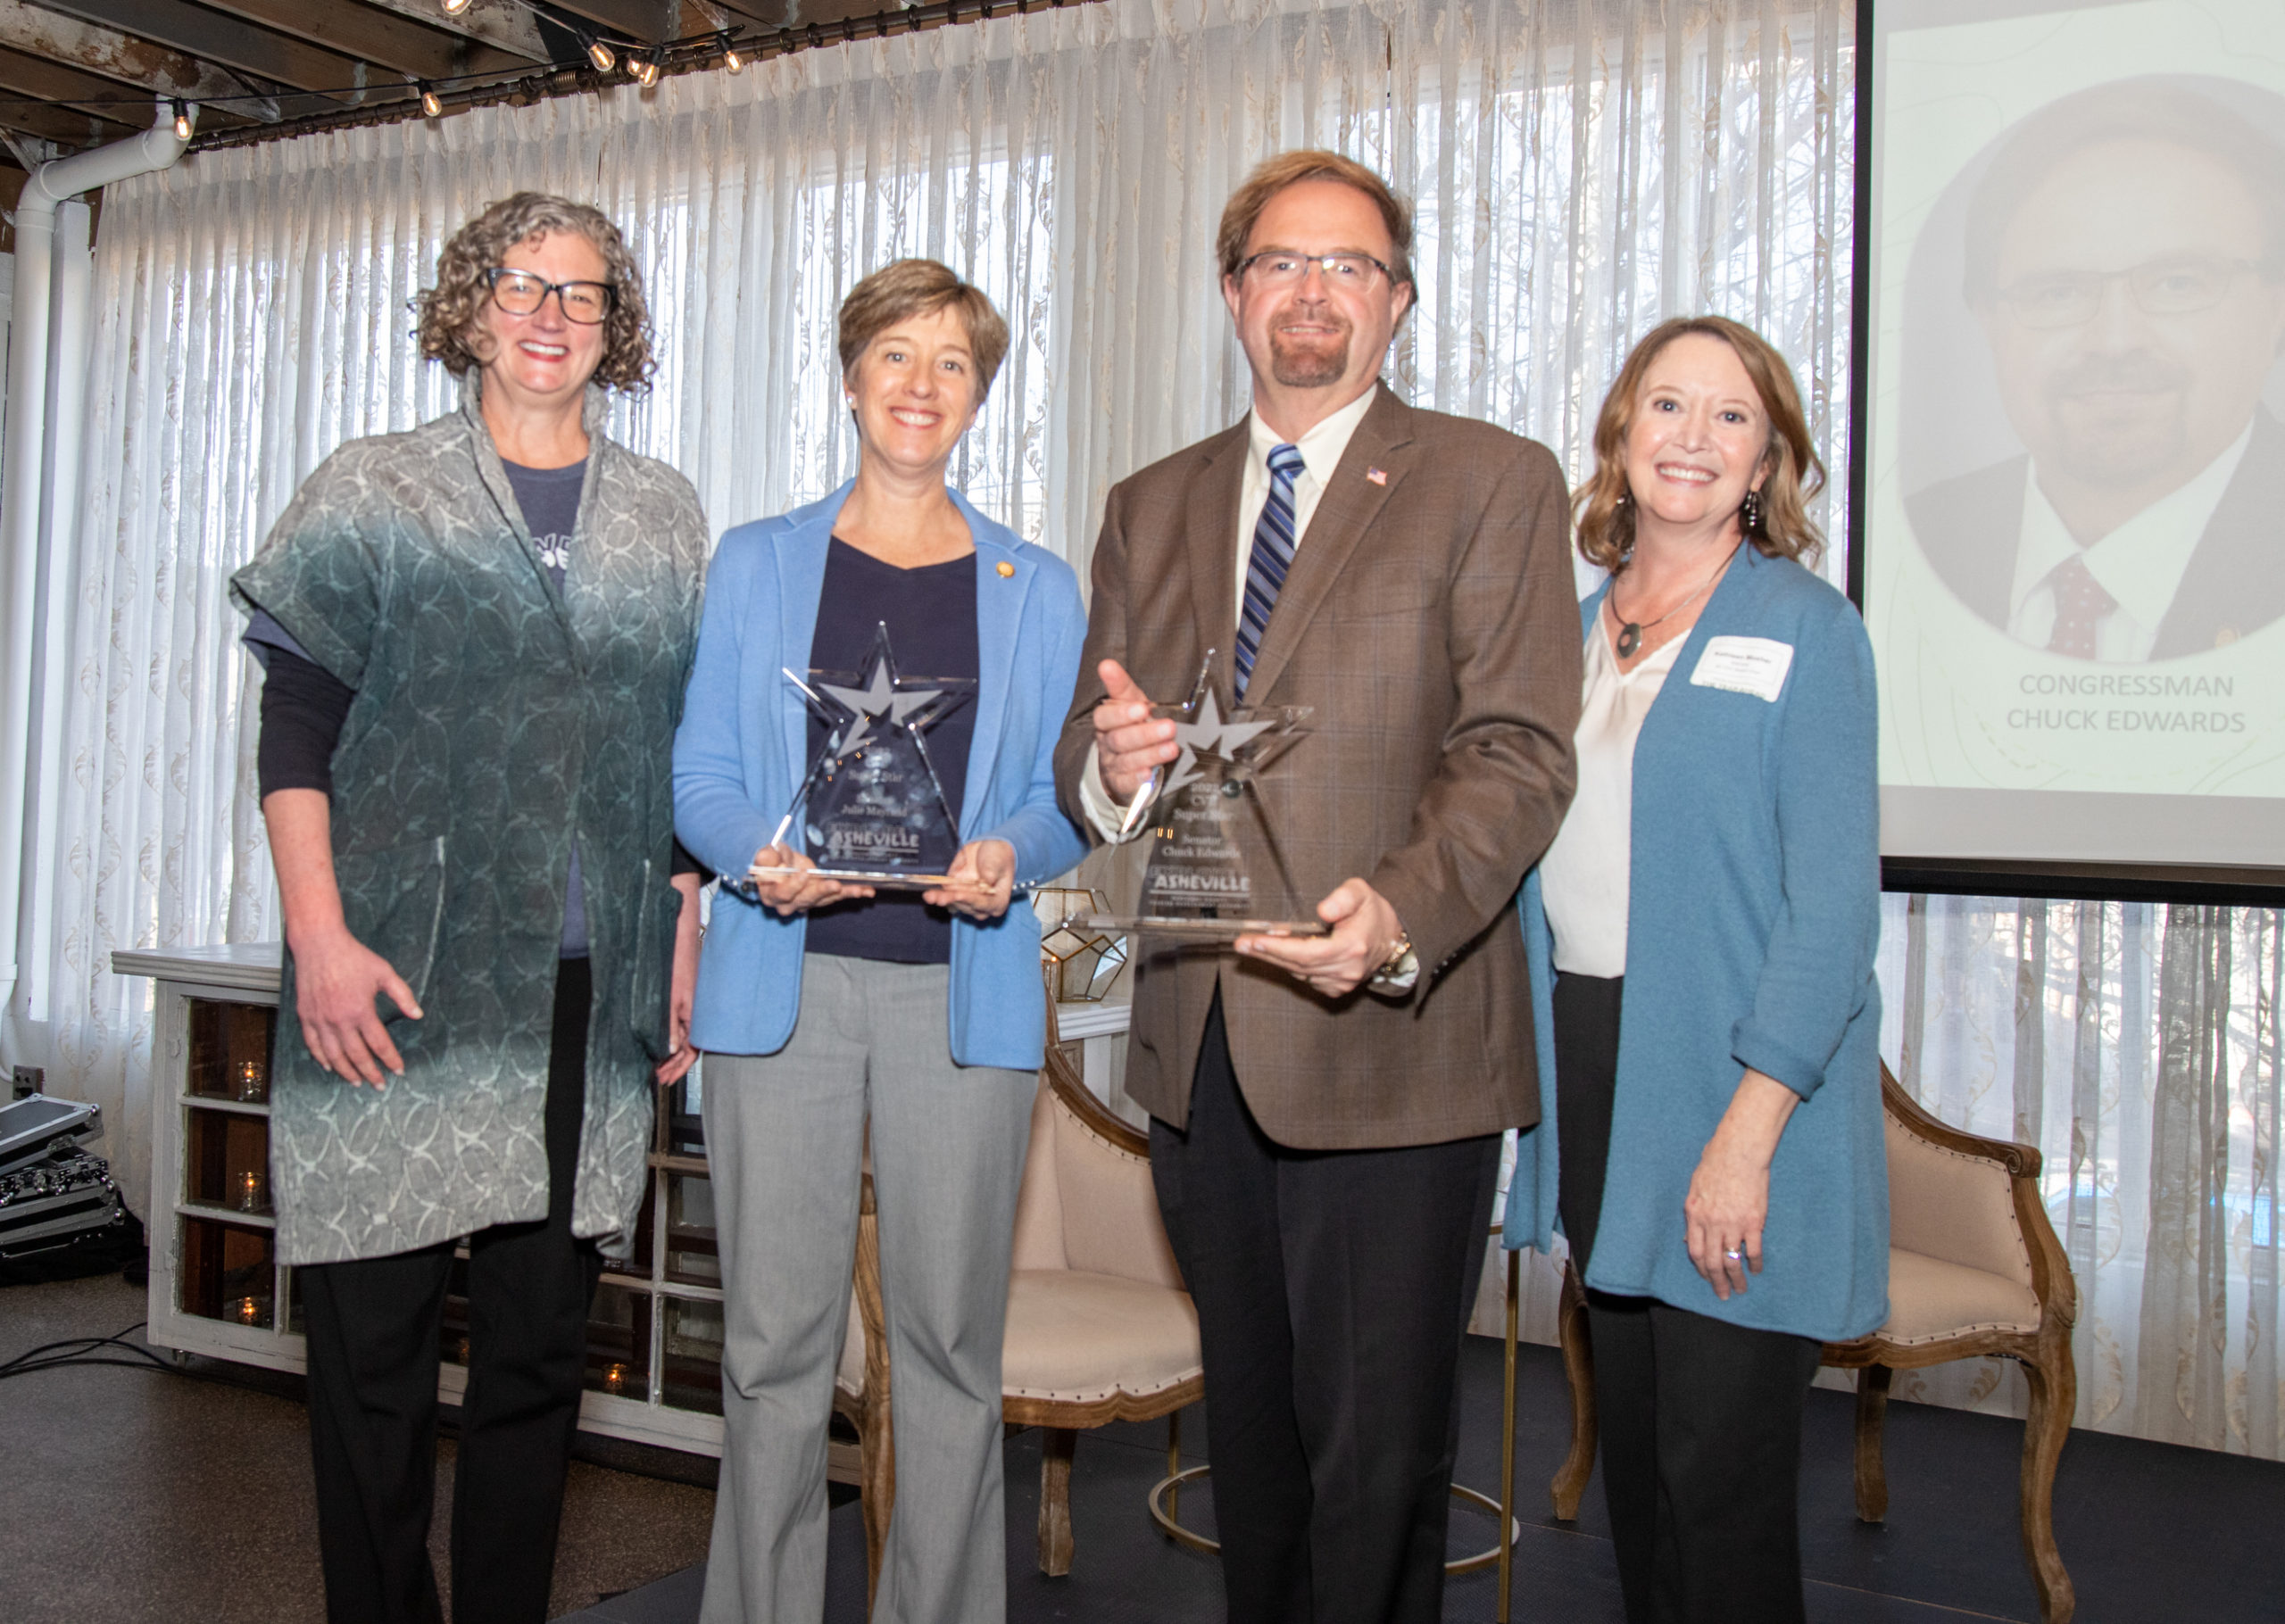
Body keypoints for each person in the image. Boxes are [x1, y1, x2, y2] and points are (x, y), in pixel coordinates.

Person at [1055, 151, 1581, 1623]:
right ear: (1233, 294)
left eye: (1350, 267)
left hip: (1393, 1042)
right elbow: (1085, 756)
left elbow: (1518, 749)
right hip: (1197, 1048)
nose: (1314, 294)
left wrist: (1399, 913)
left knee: (1379, 1465)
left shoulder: (1491, 480)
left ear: (1398, 303)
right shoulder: (1150, 503)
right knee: (1257, 1455)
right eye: (1283, 262)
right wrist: (1116, 767)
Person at [230, 192, 710, 1624]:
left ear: (615, 328)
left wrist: (683, 930)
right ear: (469, 306)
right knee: (370, 1366)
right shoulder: (373, 488)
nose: (552, 316)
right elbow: (294, 727)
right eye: (523, 286)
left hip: (583, 993)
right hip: (395, 971)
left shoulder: (667, 513)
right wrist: (316, 936)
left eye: (583, 294)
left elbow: (680, 755)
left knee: (535, 1366)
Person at [673, 258, 1089, 1624]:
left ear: (980, 394)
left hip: (959, 1001)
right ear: (851, 377)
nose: (921, 385)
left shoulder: (1039, 584)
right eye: (896, 356)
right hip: (777, 989)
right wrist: (756, 860)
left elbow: (1059, 802)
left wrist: (1007, 857)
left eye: (952, 362)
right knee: (773, 1352)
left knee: (952, 1350)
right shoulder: (758, 560)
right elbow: (702, 779)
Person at [1505, 315, 1888, 1624]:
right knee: (1639, 1490)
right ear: (1620, 435)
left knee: (1715, 1490)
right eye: (1669, 406)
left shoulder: (1806, 630)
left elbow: (1833, 916)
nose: (1695, 439)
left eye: (1732, 417)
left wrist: (1747, 1135)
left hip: (1739, 1087)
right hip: (1603, 1069)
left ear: (1768, 457)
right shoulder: (1555, 631)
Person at [1907, 79, 2285, 659]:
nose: (2114, 341)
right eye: (2058, 292)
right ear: (1988, 319)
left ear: (2273, 310)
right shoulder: (1923, 539)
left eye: (2177, 283)